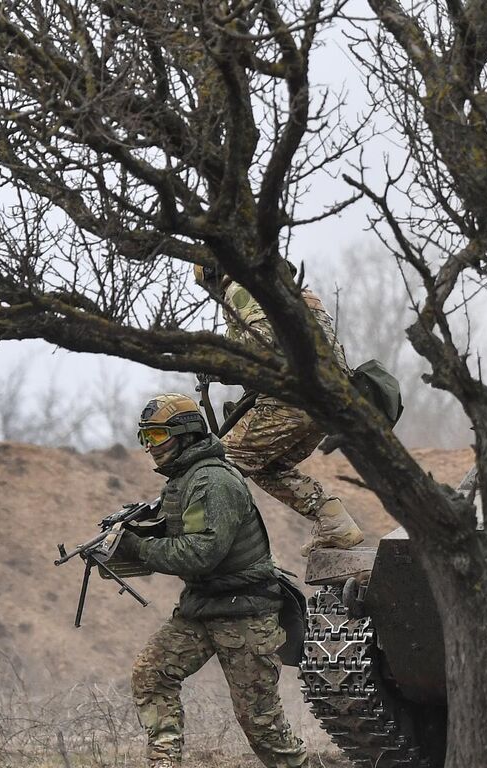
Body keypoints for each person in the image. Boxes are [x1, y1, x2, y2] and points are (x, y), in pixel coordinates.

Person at [116, 393, 312, 768]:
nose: (150, 447)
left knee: (262, 726)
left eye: (157, 436)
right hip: (205, 605)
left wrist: (138, 548)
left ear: (185, 434)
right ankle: (163, 760)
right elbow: (184, 531)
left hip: (246, 614)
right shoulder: (184, 479)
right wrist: (131, 533)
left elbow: (200, 553)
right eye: (145, 438)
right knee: (152, 673)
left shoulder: (214, 481)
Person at [199, 266, 363, 555]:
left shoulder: (242, 286)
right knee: (267, 466)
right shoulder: (288, 291)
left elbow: (262, 340)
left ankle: (211, 543)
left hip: (292, 397)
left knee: (220, 462)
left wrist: (214, 357)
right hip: (327, 401)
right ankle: (333, 520)